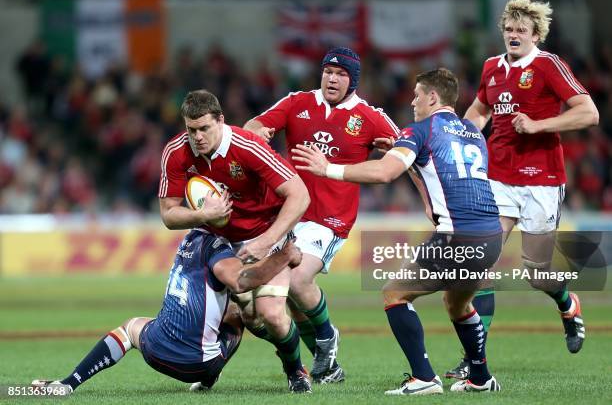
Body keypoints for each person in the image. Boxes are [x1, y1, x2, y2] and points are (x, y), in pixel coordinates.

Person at [292, 68, 503, 394]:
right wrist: (401, 145)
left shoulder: (420, 129)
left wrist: (327, 168)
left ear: (433, 97)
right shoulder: (472, 132)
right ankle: (481, 378)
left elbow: (384, 172)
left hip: (456, 236)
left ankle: (424, 378)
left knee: (394, 293)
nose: (412, 101)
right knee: (458, 305)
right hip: (491, 235)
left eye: (417, 94)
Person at [445, 0, 599, 380]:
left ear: (536, 35)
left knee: (536, 271)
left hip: (541, 180)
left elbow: (589, 112)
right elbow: (480, 109)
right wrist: (464, 136)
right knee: (479, 266)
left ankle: (567, 303)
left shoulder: (548, 65)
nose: (514, 36)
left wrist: (538, 125)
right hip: (497, 178)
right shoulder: (491, 68)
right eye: (509, 30)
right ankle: (475, 357)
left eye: (521, 31)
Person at [244, 47, 400, 383]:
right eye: (328, 71)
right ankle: (326, 367)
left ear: (353, 80)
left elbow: (408, 149)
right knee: (287, 302)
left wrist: (396, 152)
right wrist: (259, 132)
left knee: (299, 280)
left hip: (330, 219)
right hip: (287, 216)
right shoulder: (296, 102)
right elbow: (253, 126)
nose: (332, 78)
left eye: (341, 74)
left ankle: (327, 335)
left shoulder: (370, 116)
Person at [158, 90, 312, 393]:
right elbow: (168, 214)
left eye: (205, 128)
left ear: (221, 121)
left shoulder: (248, 146)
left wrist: (267, 241)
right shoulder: (175, 152)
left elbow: (300, 194)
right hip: (219, 242)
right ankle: (211, 371)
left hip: (266, 234)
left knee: (271, 316)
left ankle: (295, 370)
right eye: (192, 130)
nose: (198, 137)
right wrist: (203, 214)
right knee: (234, 317)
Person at [31, 230, 303, 396]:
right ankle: (210, 379)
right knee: (237, 314)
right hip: (200, 364)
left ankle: (68, 384)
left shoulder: (189, 240)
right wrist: (283, 257)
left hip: (156, 350)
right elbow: (241, 281)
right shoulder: (218, 248)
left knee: (129, 328)